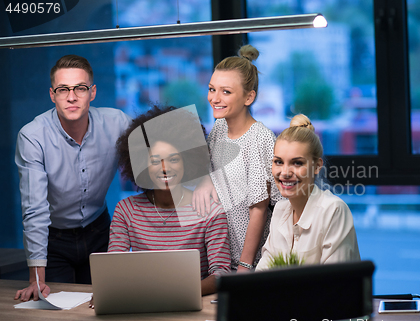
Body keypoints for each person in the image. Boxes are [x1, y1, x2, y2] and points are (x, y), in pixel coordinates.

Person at [14, 55, 131, 301]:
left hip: (100, 232)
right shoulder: (32, 136)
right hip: (55, 241)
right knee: (56, 312)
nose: (71, 96)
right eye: (63, 89)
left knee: (105, 306)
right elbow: (34, 209)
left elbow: (158, 154)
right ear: (52, 94)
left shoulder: (117, 122)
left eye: (80, 88)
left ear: (93, 92)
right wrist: (36, 278)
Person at [107, 105, 231, 296]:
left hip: (192, 303)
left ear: (187, 161)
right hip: (143, 302)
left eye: (173, 159)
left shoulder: (210, 211)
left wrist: (176, 293)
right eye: (155, 161)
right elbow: (112, 269)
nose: (164, 168)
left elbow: (221, 274)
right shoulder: (127, 210)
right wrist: (105, 289)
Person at [192, 45, 282, 272]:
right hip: (219, 254)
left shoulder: (260, 139)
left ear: (249, 97)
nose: (214, 98)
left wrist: (244, 265)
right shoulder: (219, 127)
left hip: (250, 259)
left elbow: (259, 210)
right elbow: (211, 170)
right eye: (212, 89)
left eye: (226, 92)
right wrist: (205, 179)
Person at [256, 114, 360, 270]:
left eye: (297, 163)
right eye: (278, 162)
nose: (284, 172)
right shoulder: (280, 210)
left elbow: (334, 287)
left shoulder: (333, 211)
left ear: (317, 166)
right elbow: (261, 277)